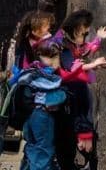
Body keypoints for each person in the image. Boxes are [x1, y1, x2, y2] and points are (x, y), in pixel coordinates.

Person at [55, 10, 106, 170]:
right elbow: (69, 68)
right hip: (69, 99)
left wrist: (99, 39)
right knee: (69, 147)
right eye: (85, 30)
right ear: (77, 26)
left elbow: (85, 51)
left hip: (77, 95)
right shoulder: (61, 43)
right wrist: (93, 65)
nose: (86, 34)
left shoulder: (71, 42)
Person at [14, 39, 67, 170]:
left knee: (32, 148)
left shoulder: (29, 72)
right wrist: (63, 94)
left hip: (29, 116)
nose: (58, 61)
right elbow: (55, 98)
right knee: (44, 151)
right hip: (42, 116)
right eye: (56, 57)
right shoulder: (46, 75)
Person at [8, 12, 56, 87]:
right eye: (45, 26)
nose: (48, 28)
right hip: (27, 78)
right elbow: (21, 66)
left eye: (48, 25)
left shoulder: (49, 41)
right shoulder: (23, 44)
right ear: (34, 30)